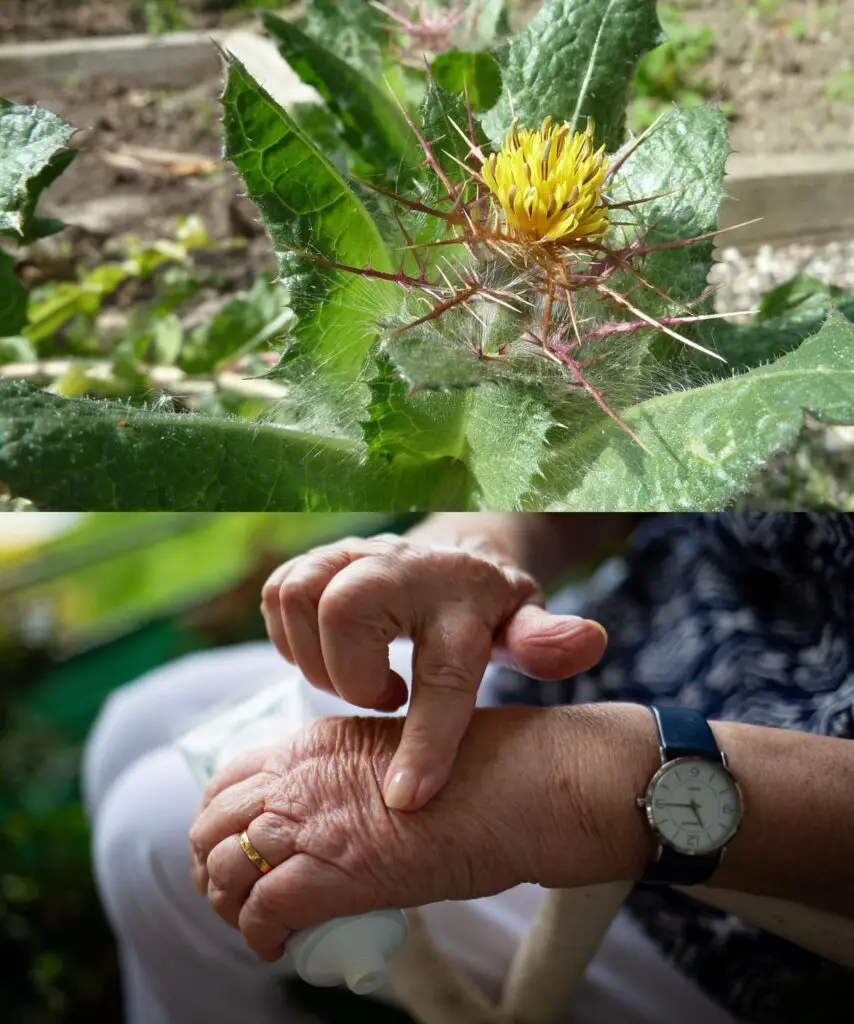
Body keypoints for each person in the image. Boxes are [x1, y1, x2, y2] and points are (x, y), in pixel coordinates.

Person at [83, 513, 854, 1024]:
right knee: (137, 720)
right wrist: (481, 540)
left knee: (150, 841)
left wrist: (588, 787)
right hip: (598, 654)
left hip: (741, 877)